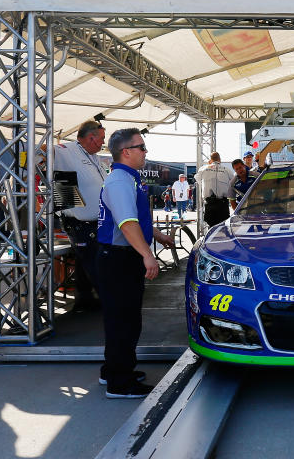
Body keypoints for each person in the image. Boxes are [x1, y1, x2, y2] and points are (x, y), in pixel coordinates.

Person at [96, 128, 174, 397]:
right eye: (141, 148)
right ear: (126, 152)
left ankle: (114, 371)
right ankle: (120, 382)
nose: (145, 152)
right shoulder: (119, 181)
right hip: (119, 258)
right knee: (124, 320)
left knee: (122, 318)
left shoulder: (128, 179)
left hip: (119, 256)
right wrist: (147, 255)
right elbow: (127, 224)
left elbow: (135, 219)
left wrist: (158, 236)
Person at [53, 120, 107, 312]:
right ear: (91, 137)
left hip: (95, 221)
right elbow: (34, 153)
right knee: (95, 263)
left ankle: (84, 300)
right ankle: (109, 302)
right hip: (78, 222)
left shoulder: (95, 157)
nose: (103, 142)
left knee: (86, 262)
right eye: (101, 138)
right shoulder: (64, 151)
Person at [196, 152, 232, 228]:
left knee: (211, 227)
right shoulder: (227, 170)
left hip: (210, 204)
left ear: (210, 160)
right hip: (223, 203)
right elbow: (233, 183)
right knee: (223, 227)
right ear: (220, 160)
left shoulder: (203, 169)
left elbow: (198, 180)